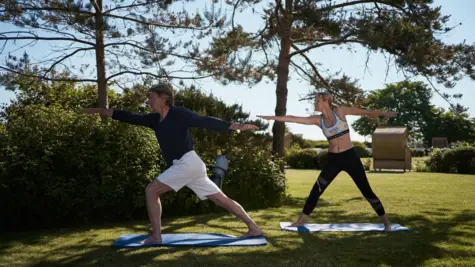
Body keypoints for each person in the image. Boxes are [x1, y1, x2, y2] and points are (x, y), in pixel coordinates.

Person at [82, 83, 263, 244]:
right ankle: (253, 228)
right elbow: (130, 116)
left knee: (151, 190)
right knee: (221, 200)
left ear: (163, 98)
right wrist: (102, 111)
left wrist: (234, 126)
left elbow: (203, 121)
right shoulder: (154, 120)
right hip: (189, 166)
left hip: (187, 163)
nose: (148, 101)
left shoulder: (178, 114)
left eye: (151, 97)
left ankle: (156, 236)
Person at [257, 92, 397, 232]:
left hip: (350, 157)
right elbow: (294, 119)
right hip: (334, 160)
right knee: (316, 190)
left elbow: (364, 112)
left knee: (366, 191)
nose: (315, 103)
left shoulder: (340, 112)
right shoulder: (318, 120)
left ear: (326, 101)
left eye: (317, 100)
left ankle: (386, 223)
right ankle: (300, 221)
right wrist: (272, 118)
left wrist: (384, 113)